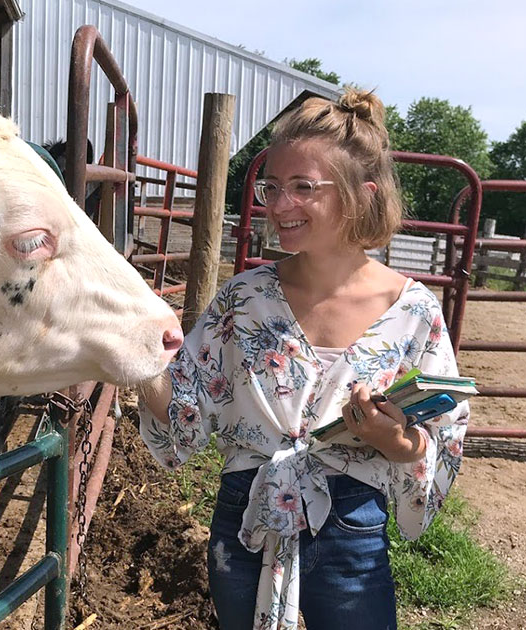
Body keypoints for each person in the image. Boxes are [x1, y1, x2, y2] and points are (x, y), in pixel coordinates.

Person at [137, 88, 469, 630]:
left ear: (360, 195)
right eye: (272, 186)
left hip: (352, 524)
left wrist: (395, 442)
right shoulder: (244, 299)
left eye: (302, 188)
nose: (278, 204)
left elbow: (442, 436)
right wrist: (130, 355)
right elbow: (186, 403)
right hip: (247, 515)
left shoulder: (414, 314)